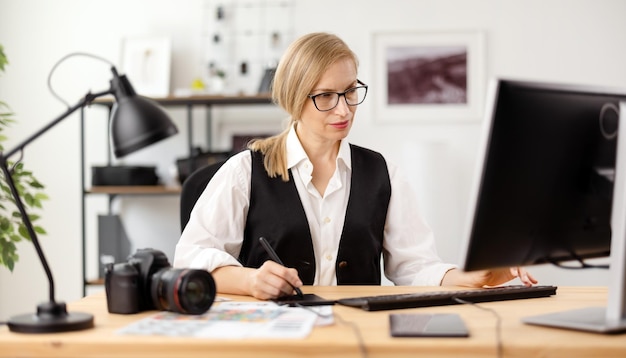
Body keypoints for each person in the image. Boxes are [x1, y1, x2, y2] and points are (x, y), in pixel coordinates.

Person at [173, 32, 537, 300]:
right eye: (326, 96)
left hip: (359, 335)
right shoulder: (243, 172)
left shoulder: (384, 173)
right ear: (294, 98)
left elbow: (413, 267)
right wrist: (251, 281)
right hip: (271, 336)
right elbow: (191, 258)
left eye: (350, 91)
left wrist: (473, 278)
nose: (344, 109)